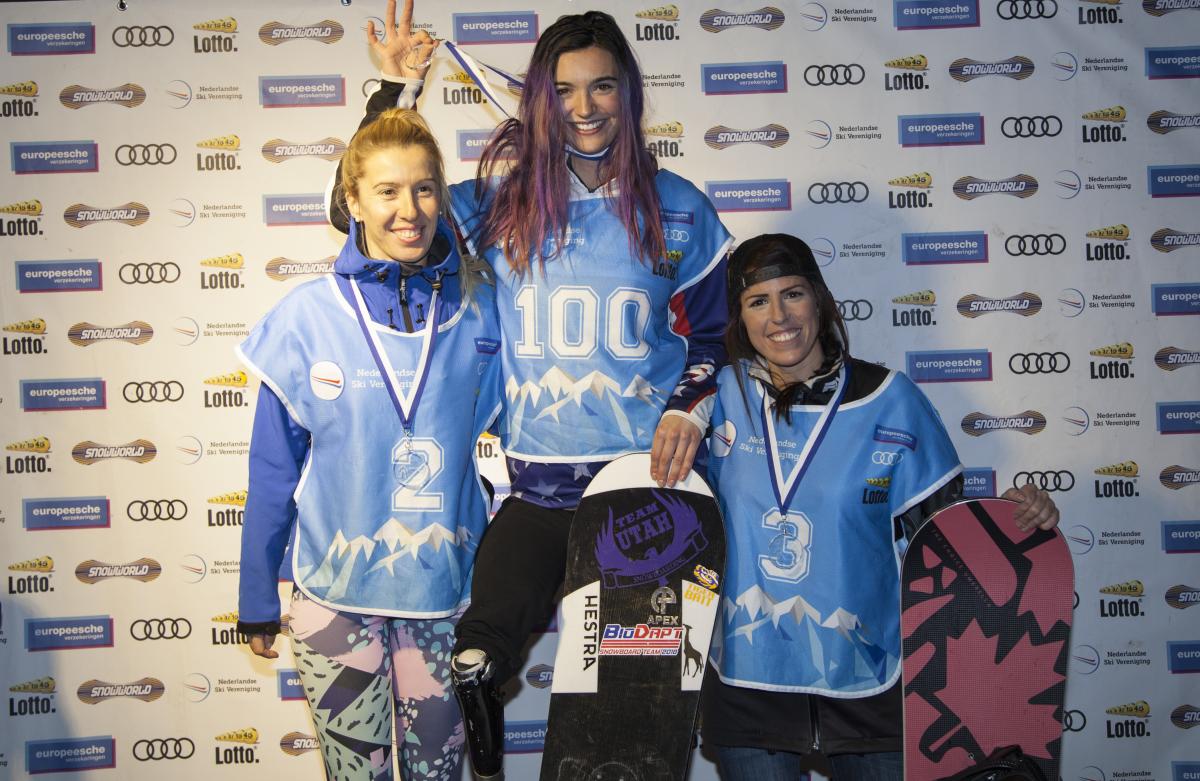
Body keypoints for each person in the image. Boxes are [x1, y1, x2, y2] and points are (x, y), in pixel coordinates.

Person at [349, 2, 734, 776]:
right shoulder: (504, 203)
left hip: (643, 493)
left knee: (626, 733)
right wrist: (394, 96)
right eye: (563, 90)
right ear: (539, 99)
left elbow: (715, 336)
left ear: (629, 92)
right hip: (541, 485)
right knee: (477, 646)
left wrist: (689, 403)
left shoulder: (679, 206)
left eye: (601, 87)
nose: (584, 108)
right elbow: (364, 218)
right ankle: (484, 714)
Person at [700, 234, 1060, 781]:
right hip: (749, 681)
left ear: (819, 301)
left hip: (874, 682)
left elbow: (946, 538)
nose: (779, 316)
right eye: (758, 301)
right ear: (740, 318)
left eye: (793, 294)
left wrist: (1012, 521)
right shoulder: (715, 397)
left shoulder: (890, 399)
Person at [236, 108, 502, 781]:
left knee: (437, 776)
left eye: (423, 188)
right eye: (386, 191)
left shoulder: (481, 309)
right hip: (334, 599)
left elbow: (523, 447)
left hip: (446, 595)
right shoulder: (306, 316)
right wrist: (256, 597)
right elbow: (273, 469)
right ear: (351, 200)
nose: (408, 209)